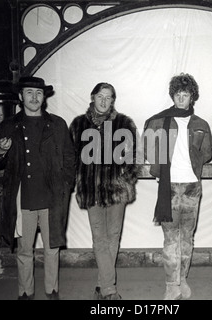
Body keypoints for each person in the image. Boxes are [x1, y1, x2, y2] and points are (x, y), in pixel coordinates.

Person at [0, 76, 75, 300]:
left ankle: (52, 291)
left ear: (44, 97)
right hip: (23, 199)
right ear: (20, 96)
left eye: (38, 93)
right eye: (29, 92)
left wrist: (66, 184)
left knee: (52, 248)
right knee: (24, 250)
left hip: (52, 198)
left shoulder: (58, 124)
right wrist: (1, 150)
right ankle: (25, 293)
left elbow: (69, 157)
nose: (34, 97)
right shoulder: (8, 125)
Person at [143, 73, 212, 300]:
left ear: (192, 97)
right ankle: (171, 284)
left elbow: (207, 152)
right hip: (169, 187)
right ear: (173, 96)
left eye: (186, 94)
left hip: (193, 187)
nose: (181, 98)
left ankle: (182, 278)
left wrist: (193, 165)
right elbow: (147, 147)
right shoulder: (158, 121)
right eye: (178, 94)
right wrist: (158, 171)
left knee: (187, 238)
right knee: (171, 238)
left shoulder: (201, 124)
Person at [69, 82, 139, 300]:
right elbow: (71, 158)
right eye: (100, 96)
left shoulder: (124, 123)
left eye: (108, 97)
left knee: (113, 237)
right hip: (92, 192)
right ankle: (109, 290)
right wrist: (80, 181)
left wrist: (123, 180)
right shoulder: (79, 124)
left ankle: (102, 285)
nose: (103, 101)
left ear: (113, 100)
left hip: (116, 192)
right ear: (92, 97)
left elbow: (133, 156)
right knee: (99, 238)